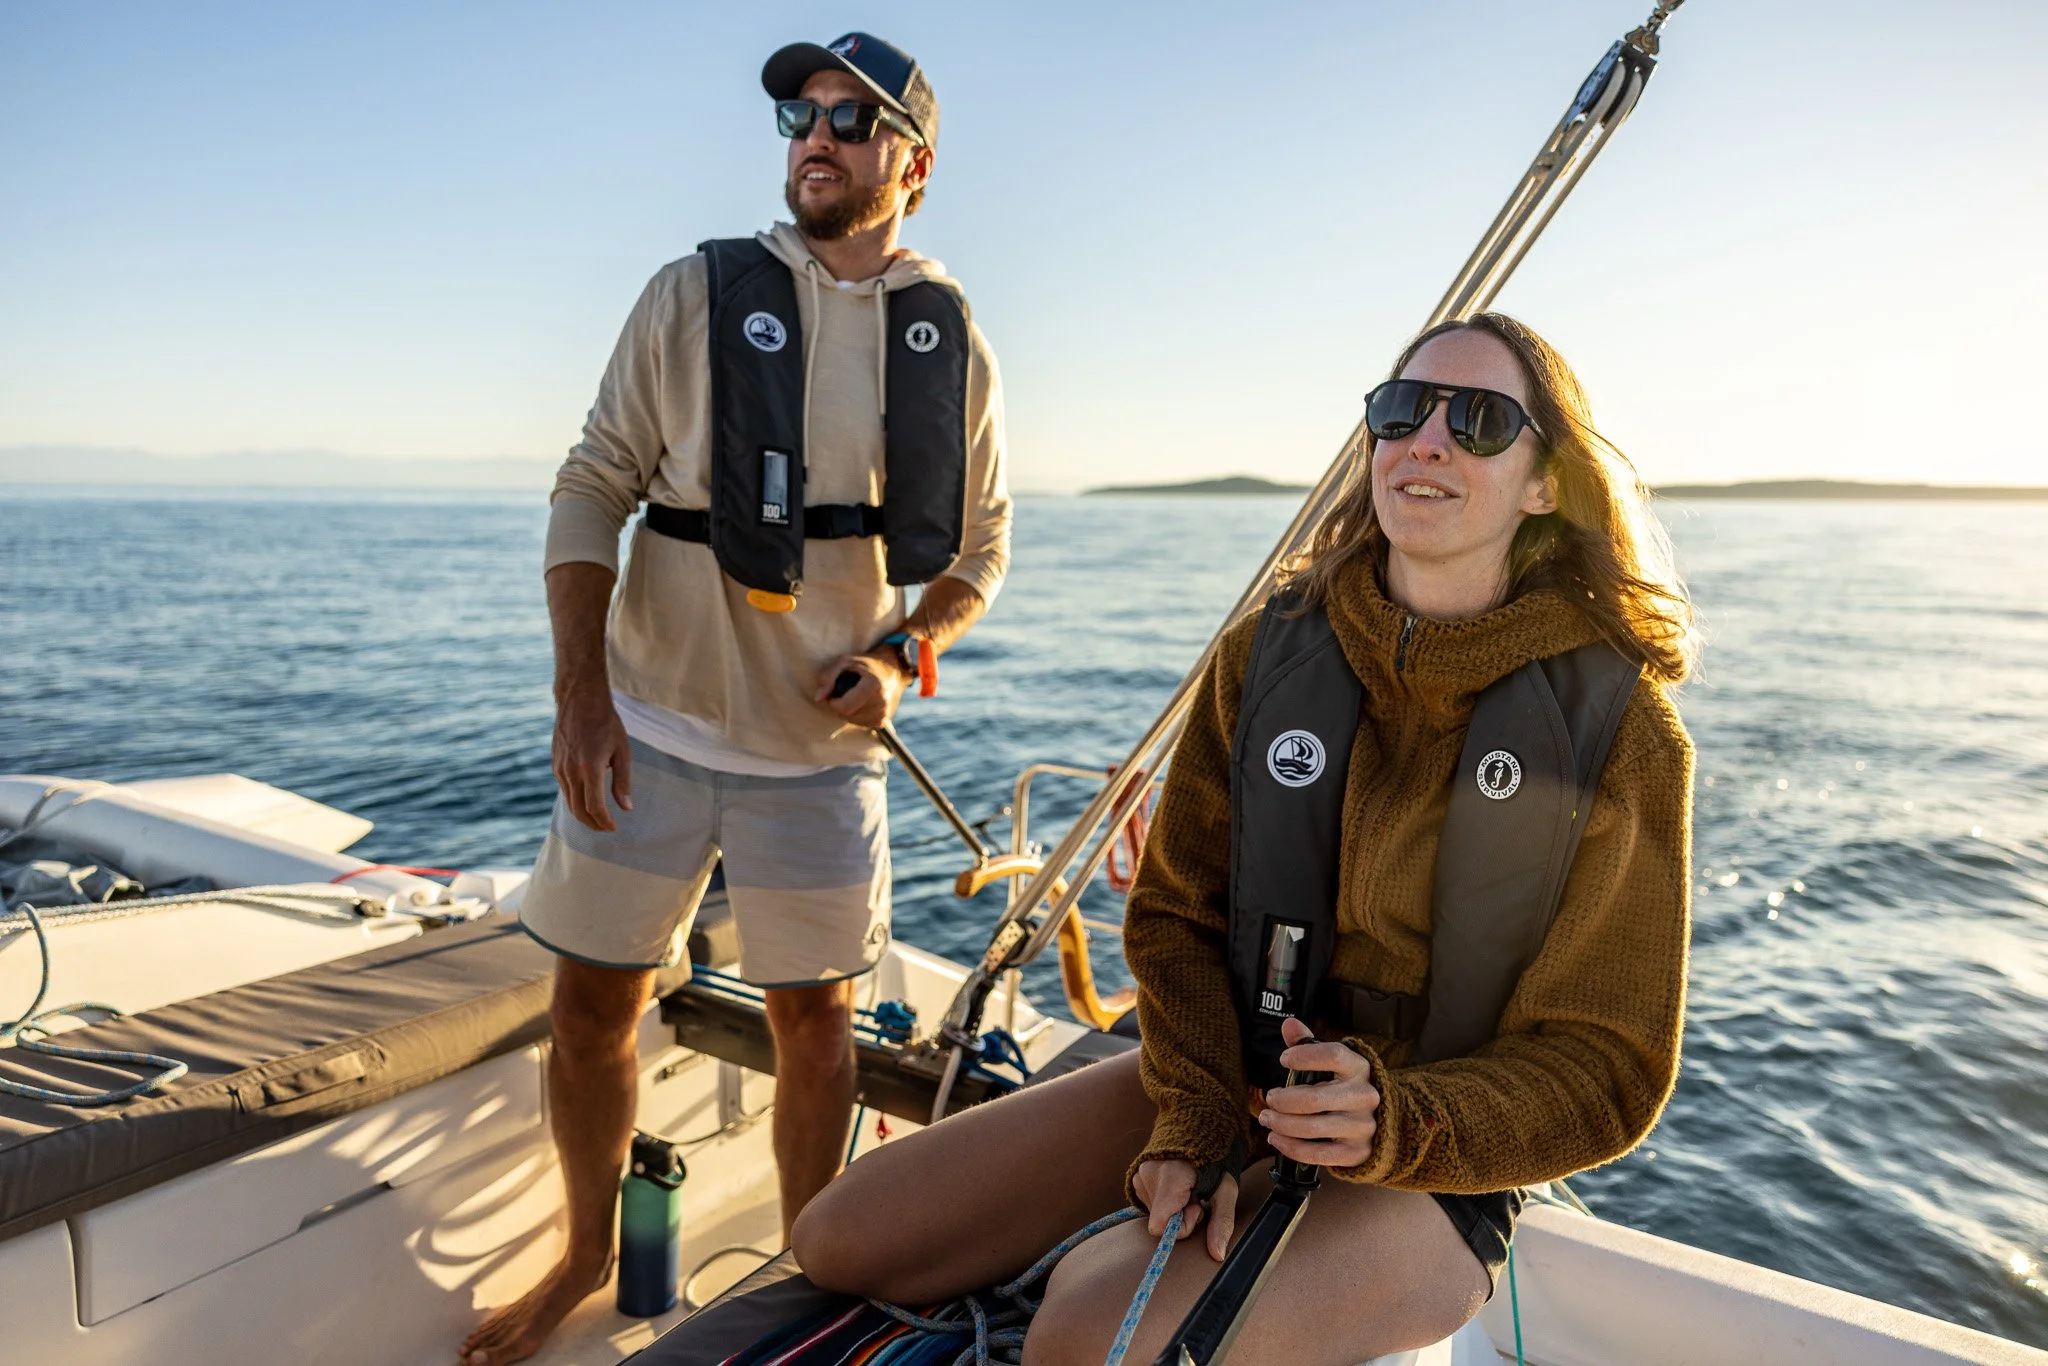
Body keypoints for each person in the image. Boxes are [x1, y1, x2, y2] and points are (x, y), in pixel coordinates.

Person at [791, 313, 1695, 1364]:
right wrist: (1194, 1118)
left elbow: (1610, 1061)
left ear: (1545, 482)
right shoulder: (1267, 657)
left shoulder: (1619, 730)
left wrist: (1393, 1118)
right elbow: (1175, 915)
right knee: (840, 1235)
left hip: (1435, 1153)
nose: (1427, 440)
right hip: (1230, 1074)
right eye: (1400, 411)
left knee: (1083, 1328)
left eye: (1480, 420)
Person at [460, 32, 1011, 1366]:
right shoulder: (688, 297)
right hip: (646, 726)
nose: (814, 137)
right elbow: (593, 483)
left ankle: (807, 1274)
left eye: (851, 119)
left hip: (821, 759)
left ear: (913, 166)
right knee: (595, 1007)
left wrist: (899, 655)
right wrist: (580, 697)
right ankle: (587, 1250)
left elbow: (980, 550)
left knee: (816, 1025)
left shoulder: (949, 341)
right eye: (798, 115)